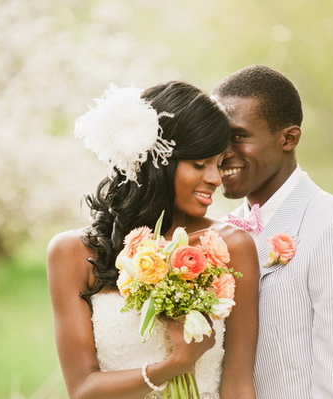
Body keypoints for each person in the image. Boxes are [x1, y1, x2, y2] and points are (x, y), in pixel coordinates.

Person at [47, 81, 259, 399]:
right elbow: (82, 389)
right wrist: (174, 365)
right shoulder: (74, 252)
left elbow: (238, 385)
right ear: (157, 163)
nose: (215, 179)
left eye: (219, 163)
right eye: (200, 164)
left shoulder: (230, 246)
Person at [213, 65, 333, 398]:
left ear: (288, 138)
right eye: (217, 136)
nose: (223, 152)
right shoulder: (220, 232)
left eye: (238, 136)